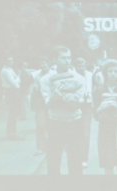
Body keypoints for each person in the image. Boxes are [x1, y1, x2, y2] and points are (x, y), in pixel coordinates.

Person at [40, 46, 86, 175]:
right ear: (55, 59)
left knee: (76, 161)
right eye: (63, 58)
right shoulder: (46, 79)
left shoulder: (79, 78)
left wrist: (60, 99)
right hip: (55, 123)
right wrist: (56, 98)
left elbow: (77, 104)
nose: (67, 61)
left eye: (69, 58)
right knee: (54, 161)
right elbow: (48, 105)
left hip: (75, 122)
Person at [74, 57, 94, 169]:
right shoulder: (71, 75)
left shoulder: (91, 75)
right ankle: (75, 156)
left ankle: (83, 158)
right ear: (75, 66)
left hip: (87, 106)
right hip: (74, 104)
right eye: (79, 66)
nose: (82, 68)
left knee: (85, 132)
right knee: (75, 131)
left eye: (83, 65)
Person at [31, 58, 51, 156]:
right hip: (42, 103)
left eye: (44, 63)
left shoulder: (53, 74)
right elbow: (36, 91)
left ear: (48, 64)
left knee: (55, 125)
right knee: (40, 125)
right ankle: (41, 148)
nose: (42, 66)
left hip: (53, 103)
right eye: (41, 64)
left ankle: (58, 146)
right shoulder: (37, 77)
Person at [0, 56, 22, 139]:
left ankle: (12, 132)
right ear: (5, 61)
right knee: (12, 113)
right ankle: (11, 133)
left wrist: (17, 78)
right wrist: (18, 77)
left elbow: (17, 81)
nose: (10, 62)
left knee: (14, 112)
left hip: (13, 91)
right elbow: (15, 84)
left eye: (11, 60)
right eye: (8, 60)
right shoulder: (5, 71)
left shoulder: (10, 69)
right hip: (11, 92)